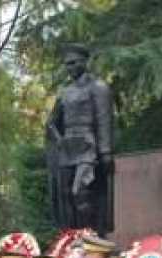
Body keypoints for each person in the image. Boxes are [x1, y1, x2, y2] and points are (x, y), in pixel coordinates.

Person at [46, 44, 115, 233]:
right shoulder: (65, 92)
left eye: (73, 63)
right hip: (68, 148)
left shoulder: (98, 87)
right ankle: (71, 237)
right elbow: (51, 123)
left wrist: (106, 152)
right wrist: (60, 141)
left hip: (88, 147)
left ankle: (91, 235)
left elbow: (103, 120)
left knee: (81, 192)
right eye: (67, 64)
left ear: (84, 62)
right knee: (66, 195)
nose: (70, 67)